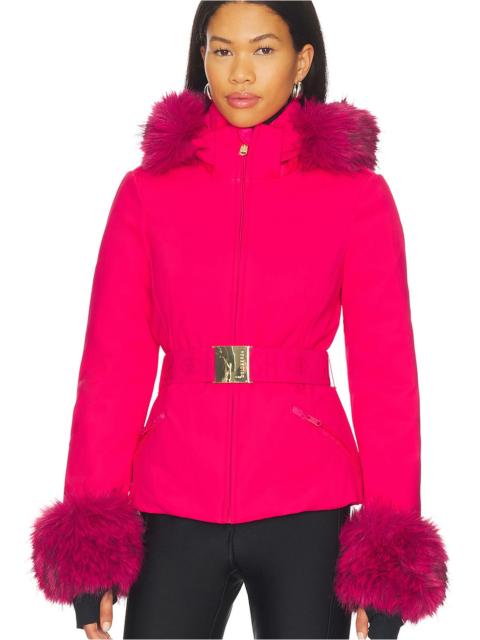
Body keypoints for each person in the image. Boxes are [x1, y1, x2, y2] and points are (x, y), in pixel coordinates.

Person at [30, 2, 448, 639]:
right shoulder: (147, 192)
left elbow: (386, 376)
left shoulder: (355, 195)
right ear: (202, 57)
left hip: (305, 499)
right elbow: (112, 368)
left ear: (302, 61)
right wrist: (91, 542)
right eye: (222, 50)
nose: (241, 73)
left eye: (263, 50)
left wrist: (388, 560)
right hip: (173, 494)